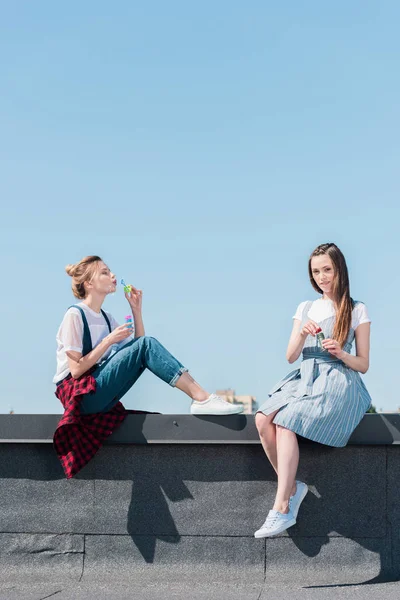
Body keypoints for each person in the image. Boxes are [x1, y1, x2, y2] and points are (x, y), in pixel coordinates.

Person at [53, 255, 242, 478]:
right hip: (81, 396)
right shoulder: (75, 315)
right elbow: (75, 370)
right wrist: (108, 341)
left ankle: (201, 398)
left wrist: (136, 310)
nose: (112, 275)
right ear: (89, 284)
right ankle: (202, 398)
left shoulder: (106, 318)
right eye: (104, 272)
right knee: (145, 344)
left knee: (145, 345)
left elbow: (140, 353)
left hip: (98, 390)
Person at [254, 243, 372, 538]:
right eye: (316, 271)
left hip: (337, 380)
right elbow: (290, 356)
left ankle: (281, 508)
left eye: (327, 270)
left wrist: (341, 353)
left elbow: (364, 364)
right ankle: (292, 487)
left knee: (286, 420)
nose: (322, 276)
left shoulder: (357, 309)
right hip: (304, 376)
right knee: (261, 419)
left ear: (339, 270)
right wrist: (303, 332)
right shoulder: (305, 308)